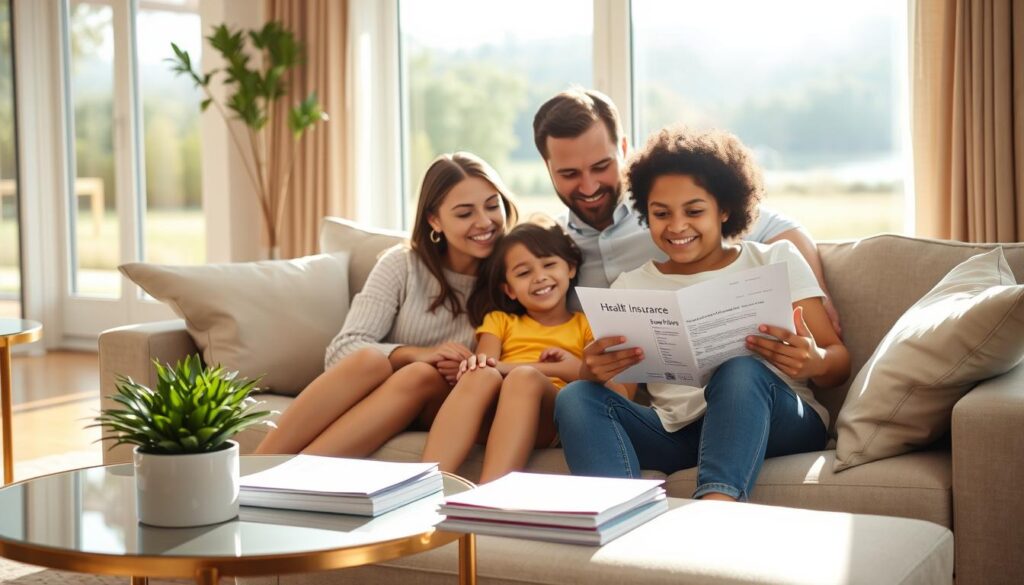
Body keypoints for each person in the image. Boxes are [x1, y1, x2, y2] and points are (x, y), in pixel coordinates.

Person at [554, 126, 851, 502]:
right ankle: (616, 519)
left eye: (694, 211)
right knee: (576, 396)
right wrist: (592, 373)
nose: (677, 227)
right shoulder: (630, 287)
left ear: (724, 208)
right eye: (662, 213)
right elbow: (623, 392)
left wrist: (814, 361)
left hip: (777, 421)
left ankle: (714, 511)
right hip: (679, 433)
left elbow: (839, 364)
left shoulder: (774, 259)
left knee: (739, 369)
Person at [256, 152, 519, 457]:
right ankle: (258, 469)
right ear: (434, 219)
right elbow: (341, 352)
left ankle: (292, 478)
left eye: (492, 205)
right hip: (393, 392)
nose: (485, 222)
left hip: (459, 400)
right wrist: (419, 354)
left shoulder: (516, 273)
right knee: (373, 360)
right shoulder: (403, 263)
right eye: (465, 213)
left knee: (419, 374)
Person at [533, 87, 842, 334]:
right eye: (569, 174)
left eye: (601, 167)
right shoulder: (549, 246)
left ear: (623, 150)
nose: (588, 187)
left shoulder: (670, 214)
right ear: (547, 167)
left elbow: (779, 227)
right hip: (629, 396)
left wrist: (816, 293)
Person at [421, 222, 614, 483]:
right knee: (480, 374)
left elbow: (594, 379)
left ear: (570, 268)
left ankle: (488, 496)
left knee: (523, 378)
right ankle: (425, 485)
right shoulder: (499, 321)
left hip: (550, 417)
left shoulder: (587, 325)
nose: (539, 277)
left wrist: (518, 368)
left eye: (548, 265)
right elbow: (487, 366)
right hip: (497, 412)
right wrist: (484, 367)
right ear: (509, 289)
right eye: (523, 273)